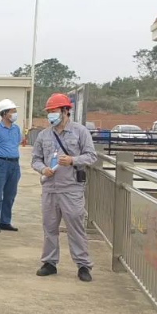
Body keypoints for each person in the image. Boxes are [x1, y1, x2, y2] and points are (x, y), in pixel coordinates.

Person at [32, 93, 97, 282]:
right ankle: (49, 262)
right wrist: (42, 169)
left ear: (65, 111)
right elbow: (35, 159)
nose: (51, 115)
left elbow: (91, 156)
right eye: (49, 111)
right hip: (50, 188)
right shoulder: (44, 135)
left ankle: (83, 265)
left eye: (54, 111)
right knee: (49, 227)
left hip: (71, 188)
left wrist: (72, 160)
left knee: (75, 227)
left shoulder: (80, 132)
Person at [0, 99, 22, 233]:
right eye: (12, 111)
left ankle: (5, 221)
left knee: (10, 194)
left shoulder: (16, 128)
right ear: (4, 113)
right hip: (1, 163)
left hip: (14, 164)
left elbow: (16, 143)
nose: (15, 114)